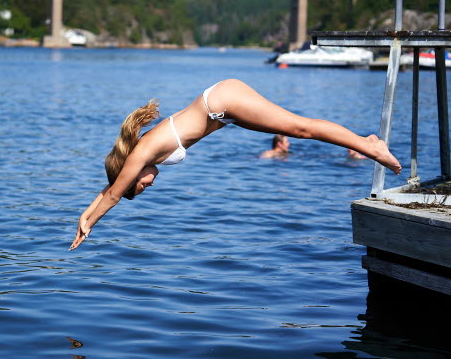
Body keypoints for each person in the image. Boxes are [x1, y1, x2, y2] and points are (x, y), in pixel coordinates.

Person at [69, 79, 401, 251]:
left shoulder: (141, 154)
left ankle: (368, 145)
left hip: (222, 103)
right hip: (223, 108)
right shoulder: (140, 155)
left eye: (140, 187)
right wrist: (85, 214)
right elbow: (110, 189)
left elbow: (113, 194)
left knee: (300, 128)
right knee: (299, 129)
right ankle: (366, 144)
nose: (149, 184)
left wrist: (92, 223)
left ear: (132, 174)